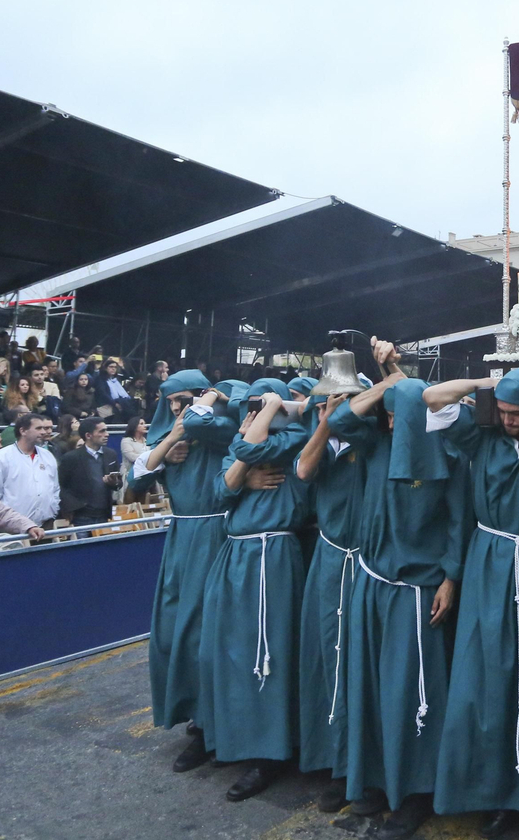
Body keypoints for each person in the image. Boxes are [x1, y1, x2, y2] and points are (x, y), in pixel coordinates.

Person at [329, 341, 468, 840]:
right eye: (385, 414)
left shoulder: (448, 453)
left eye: (397, 414)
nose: (388, 423)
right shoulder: (376, 445)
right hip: (371, 581)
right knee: (368, 687)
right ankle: (372, 780)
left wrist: (450, 577)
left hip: (418, 591)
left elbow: (458, 521)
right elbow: (342, 421)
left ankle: (416, 793)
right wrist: (388, 383)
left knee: (412, 695)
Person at [430, 368, 519, 839]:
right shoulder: (483, 437)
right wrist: (484, 390)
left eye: (518, 411)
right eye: (504, 411)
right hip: (486, 563)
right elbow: (433, 396)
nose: (509, 419)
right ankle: (491, 791)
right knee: (484, 679)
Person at [195, 380, 308, 802]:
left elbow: (247, 452)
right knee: (227, 653)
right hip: (235, 556)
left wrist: (261, 424)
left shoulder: (293, 436)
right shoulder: (247, 438)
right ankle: (235, 739)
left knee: (268, 653)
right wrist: (245, 475)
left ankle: (269, 753)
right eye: (250, 405)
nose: (252, 411)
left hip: (272, 555)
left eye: (260, 404)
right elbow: (222, 489)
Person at [132, 370, 241, 772]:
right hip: (181, 540)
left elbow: (206, 423)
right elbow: (135, 479)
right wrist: (170, 443)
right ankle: (195, 719)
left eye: (185, 398)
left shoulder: (220, 425)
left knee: (208, 634)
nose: (177, 407)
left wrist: (193, 416)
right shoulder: (170, 434)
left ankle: (211, 727)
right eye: (171, 401)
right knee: (171, 634)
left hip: (217, 536)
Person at [295, 386, 365, 812]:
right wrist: (325, 422)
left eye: (343, 398)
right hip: (330, 558)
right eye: (326, 399)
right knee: (327, 657)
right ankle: (333, 762)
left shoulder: (370, 439)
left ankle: (360, 767)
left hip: (367, 562)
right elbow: (303, 471)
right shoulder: (320, 441)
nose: (334, 404)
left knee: (359, 664)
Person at [0, 412, 61, 526]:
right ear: (23, 431)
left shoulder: (47, 456)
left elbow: (55, 488)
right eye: (38, 428)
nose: (43, 432)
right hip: (13, 527)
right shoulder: (0, 458)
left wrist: (53, 509)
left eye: (44, 428)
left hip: (46, 524)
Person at [56, 416, 121, 527]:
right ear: (88, 435)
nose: (107, 434)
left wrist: (113, 482)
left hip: (104, 515)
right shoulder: (71, 458)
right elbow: (60, 486)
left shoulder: (111, 454)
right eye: (102, 431)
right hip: (80, 516)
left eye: (106, 430)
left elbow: (118, 483)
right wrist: (74, 507)